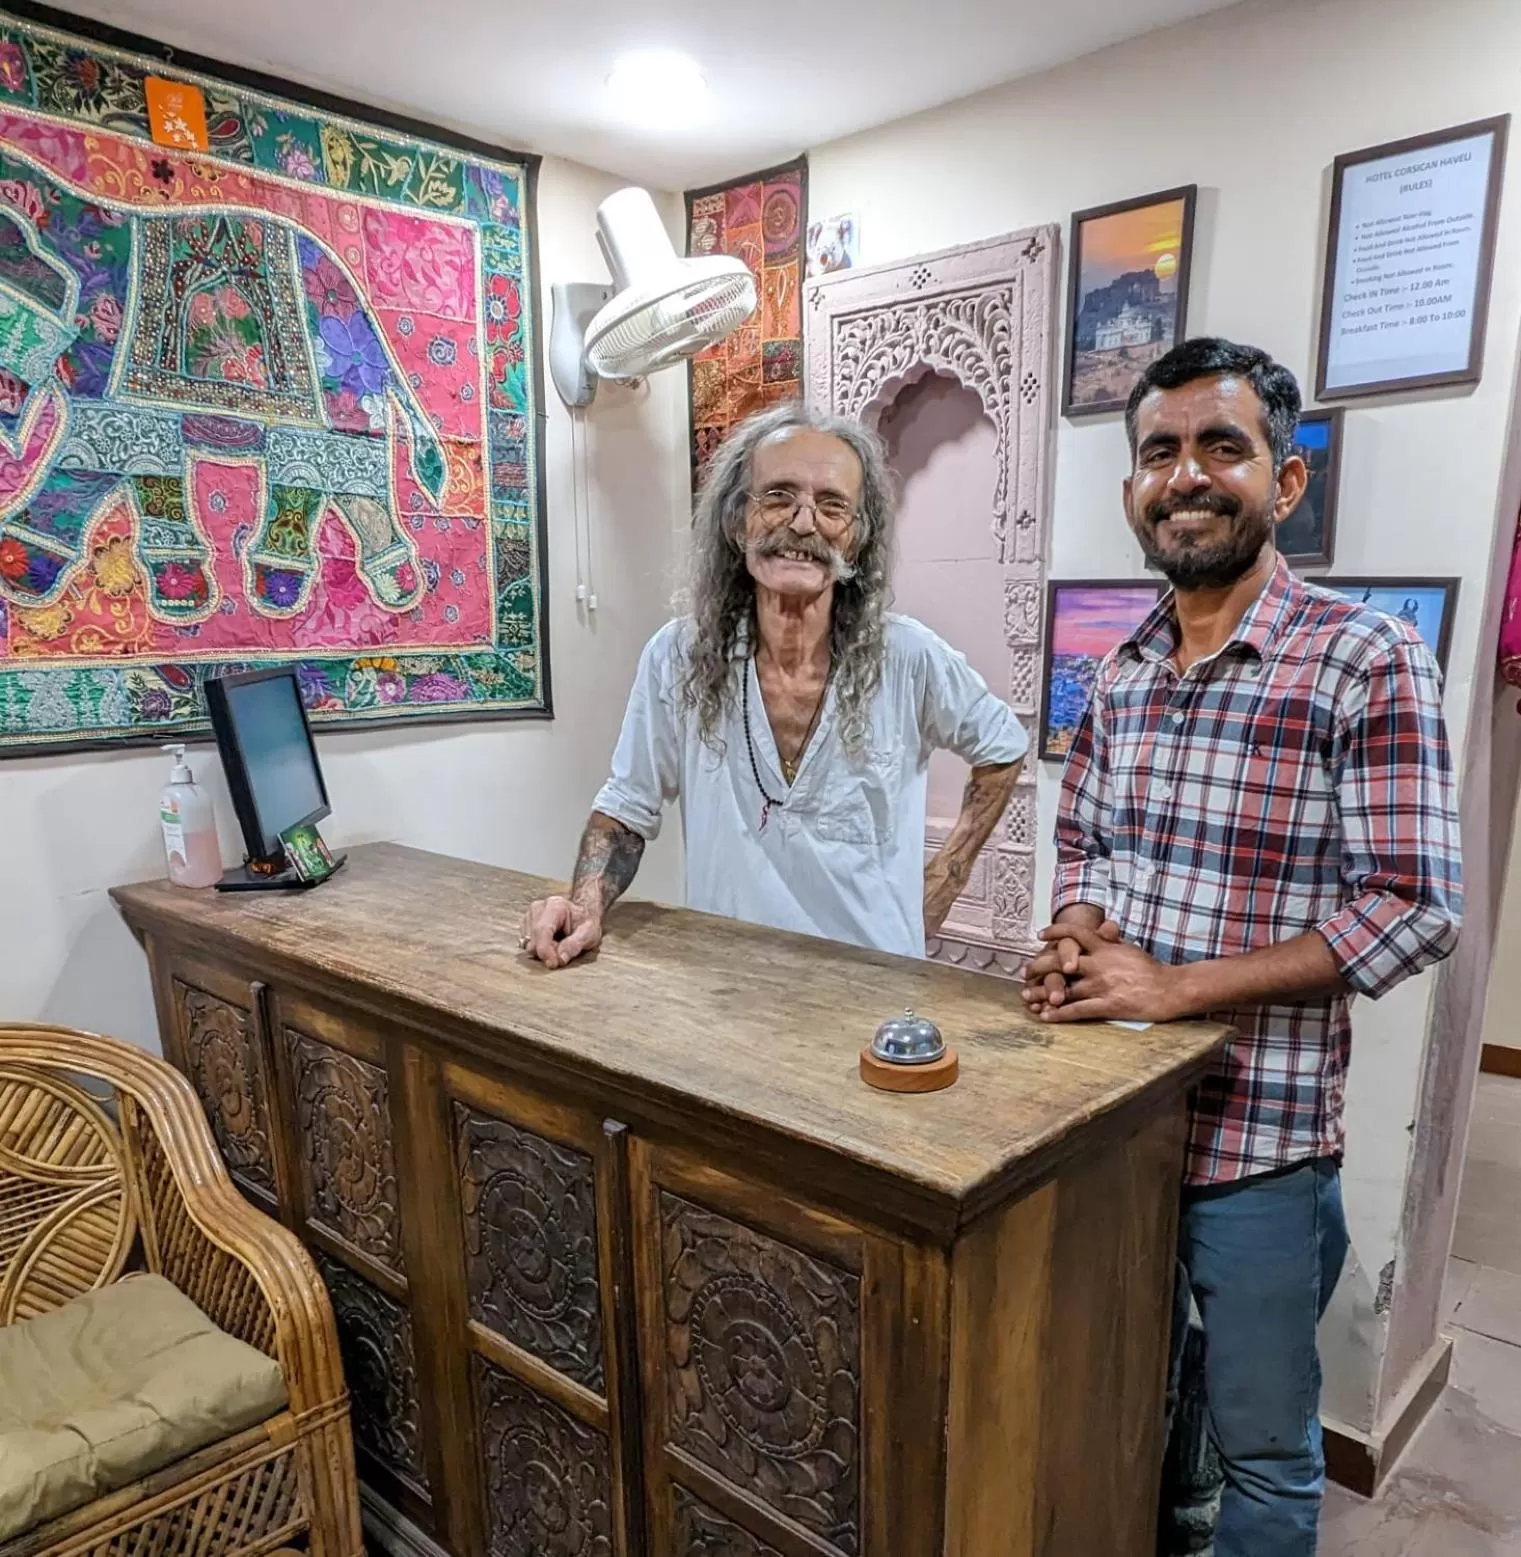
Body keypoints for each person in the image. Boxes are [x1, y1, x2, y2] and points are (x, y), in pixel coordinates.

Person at [1021, 338, 1462, 1555]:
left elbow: (1414, 904)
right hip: (1113, 1120)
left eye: (1223, 446)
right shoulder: (1122, 672)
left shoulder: (1363, 658)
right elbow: (1088, 845)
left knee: (1264, 1457)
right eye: (1159, 452)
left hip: (1258, 1142)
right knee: (1128, 1406)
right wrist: (1074, 938)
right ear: (1132, 489)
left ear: (1286, 479)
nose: (1186, 476)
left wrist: (1176, 989)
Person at [522, 403, 1028, 966]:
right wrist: (583, 903)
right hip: (726, 982)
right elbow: (627, 808)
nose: (804, 524)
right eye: (778, 496)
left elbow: (1002, 746)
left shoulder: (907, 657)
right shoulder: (679, 656)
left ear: (856, 537)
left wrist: (946, 877)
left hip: (878, 982)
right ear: (738, 521)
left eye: (832, 505)